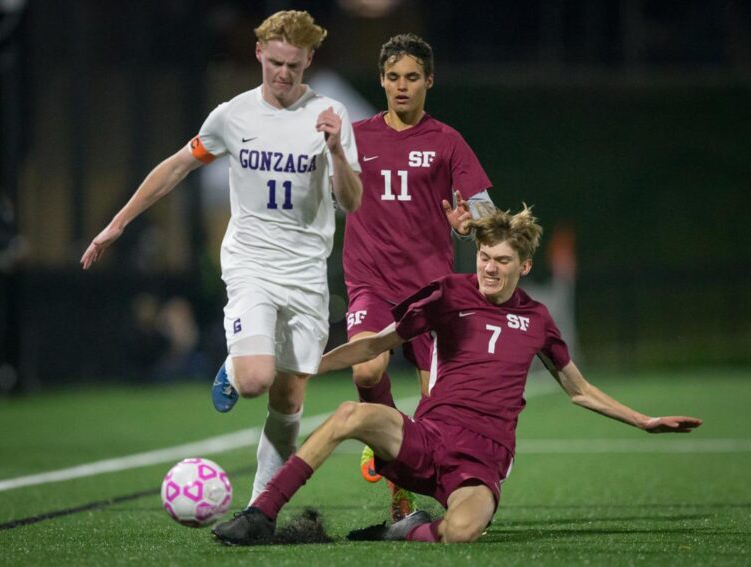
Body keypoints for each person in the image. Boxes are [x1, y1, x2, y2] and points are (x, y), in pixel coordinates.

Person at [211, 205, 702, 545]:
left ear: (525, 265)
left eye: (502, 261)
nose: (489, 268)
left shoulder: (538, 321)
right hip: (429, 435)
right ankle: (262, 514)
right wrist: (308, 365)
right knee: (347, 415)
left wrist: (644, 421)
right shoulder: (448, 293)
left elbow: (579, 390)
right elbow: (378, 344)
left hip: (482, 460)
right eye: (484, 257)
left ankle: (406, 531)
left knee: (463, 532)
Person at [81, 11, 362, 504]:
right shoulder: (233, 115)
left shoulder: (331, 116)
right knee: (256, 379)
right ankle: (234, 370)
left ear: (309, 60)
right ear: (258, 53)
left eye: (294, 66)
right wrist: (118, 223)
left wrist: (337, 150)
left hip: (305, 274)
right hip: (251, 263)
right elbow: (176, 168)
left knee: (289, 398)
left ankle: (260, 508)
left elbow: (352, 201)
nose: (283, 74)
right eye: (275, 62)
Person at [343, 33, 496, 520]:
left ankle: (435, 490)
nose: (402, 86)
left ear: (429, 81)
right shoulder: (355, 136)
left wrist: (471, 225)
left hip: (431, 293)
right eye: (393, 78)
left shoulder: (446, 140)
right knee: (366, 370)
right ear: (381, 81)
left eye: (412, 77)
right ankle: (388, 460)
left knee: (439, 405)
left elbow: (485, 210)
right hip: (371, 282)